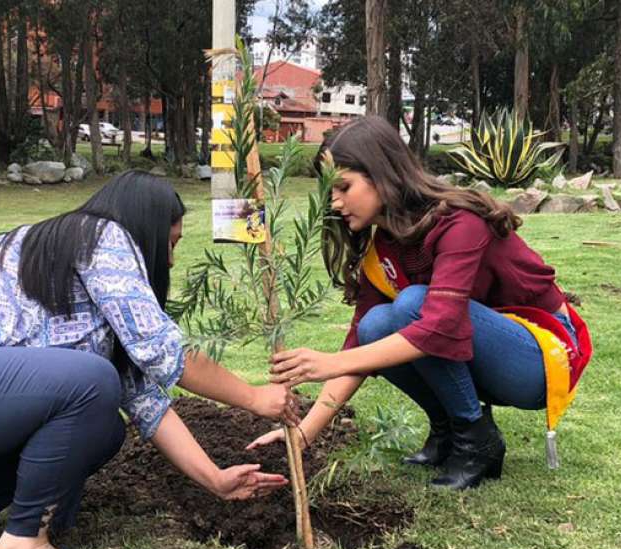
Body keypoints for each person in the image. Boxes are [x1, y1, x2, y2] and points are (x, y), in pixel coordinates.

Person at [0, 171, 297, 549]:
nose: (172, 260)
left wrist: (215, 480)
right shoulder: (104, 237)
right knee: (92, 382)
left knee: (102, 425)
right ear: (144, 228)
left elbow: (146, 403)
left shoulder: (81, 282)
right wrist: (256, 398)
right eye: (171, 243)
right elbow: (165, 353)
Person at [249, 116, 592, 491]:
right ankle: (448, 432)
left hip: (544, 356)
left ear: (382, 174)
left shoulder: (459, 223)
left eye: (344, 186)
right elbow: (359, 344)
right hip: (483, 349)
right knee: (374, 326)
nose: (334, 201)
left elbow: (439, 326)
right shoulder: (385, 244)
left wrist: (329, 363)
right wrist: (302, 435)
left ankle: (477, 441)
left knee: (414, 305)